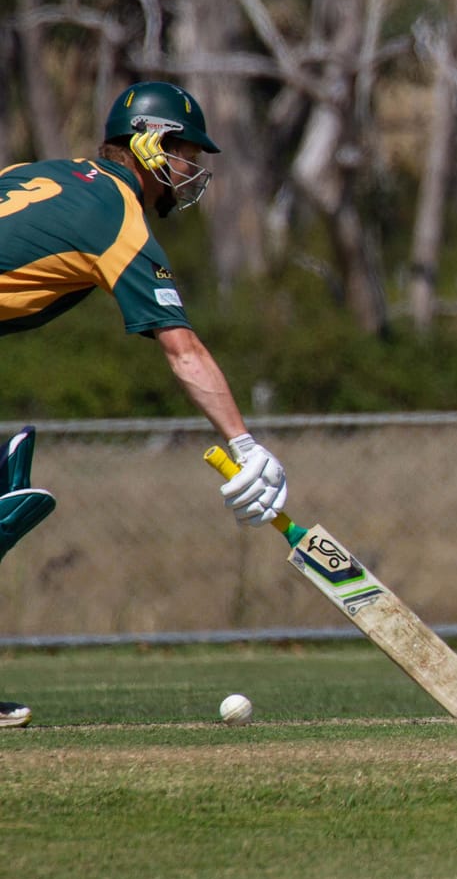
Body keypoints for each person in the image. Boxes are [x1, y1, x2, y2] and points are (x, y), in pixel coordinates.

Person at [0, 81, 291, 728]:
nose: (192, 170)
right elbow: (181, 347)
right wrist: (243, 442)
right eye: (187, 152)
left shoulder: (36, 172)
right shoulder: (115, 212)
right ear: (150, 146)